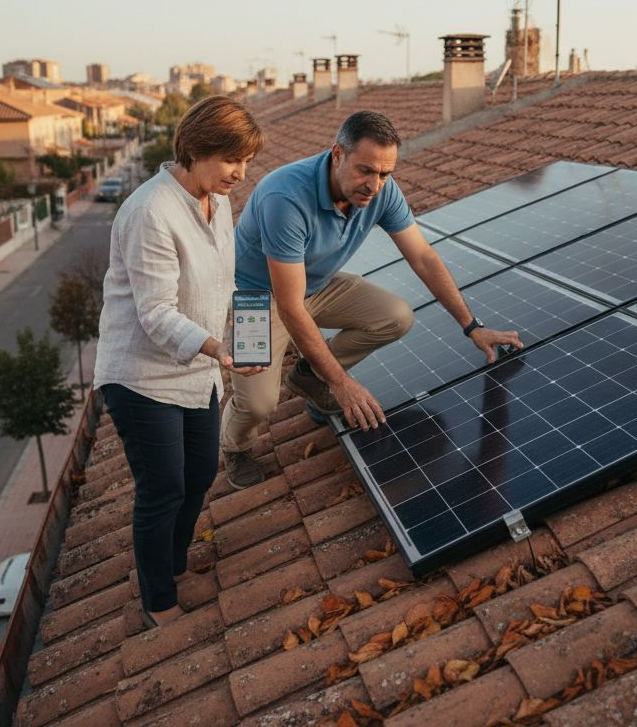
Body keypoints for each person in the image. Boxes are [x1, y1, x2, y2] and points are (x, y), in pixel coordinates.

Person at [222, 110, 522, 486]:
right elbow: (290, 306)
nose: (374, 184)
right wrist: (342, 383)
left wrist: (471, 326)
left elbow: (424, 257)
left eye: (385, 174)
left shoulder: (382, 190)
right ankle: (235, 447)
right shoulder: (285, 198)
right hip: (257, 298)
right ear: (337, 155)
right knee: (259, 402)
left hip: (316, 284)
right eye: (365, 170)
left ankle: (308, 377)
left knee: (395, 315)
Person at [93, 96, 266, 629]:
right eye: (230, 159)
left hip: (197, 370)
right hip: (140, 375)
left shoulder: (219, 202)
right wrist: (218, 349)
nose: (240, 172)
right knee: (163, 484)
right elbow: (155, 313)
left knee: (198, 475)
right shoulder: (151, 211)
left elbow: (223, 283)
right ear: (194, 149)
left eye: (246, 160)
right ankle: (158, 600)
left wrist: (243, 331)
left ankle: (172, 564)